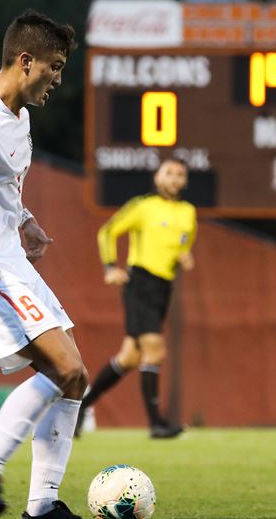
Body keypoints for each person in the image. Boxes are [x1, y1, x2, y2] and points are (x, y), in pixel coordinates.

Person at [0, 10, 92, 519]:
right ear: (25, 61)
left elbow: (0, 191)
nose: (58, 78)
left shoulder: (19, 119)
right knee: (65, 367)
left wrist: (26, 221)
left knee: (75, 378)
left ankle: (44, 505)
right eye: (54, 66)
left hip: (10, 260)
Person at [78, 159, 197, 439]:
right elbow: (107, 232)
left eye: (180, 174)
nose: (175, 178)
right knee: (155, 350)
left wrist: (184, 257)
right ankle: (157, 424)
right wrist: (110, 267)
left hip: (163, 287)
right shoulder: (143, 207)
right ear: (157, 177)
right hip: (140, 282)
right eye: (169, 173)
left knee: (130, 358)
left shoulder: (188, 213)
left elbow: (183, 245)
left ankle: (80, 408)